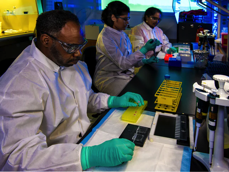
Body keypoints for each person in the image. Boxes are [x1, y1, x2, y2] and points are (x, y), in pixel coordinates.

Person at [0, 10, 145, 171]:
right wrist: (86, 156)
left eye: (81, 45)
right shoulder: (20, 84)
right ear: (46, 40)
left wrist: (111, 101)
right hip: (57, 161)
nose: (78, 53)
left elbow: (84, 98)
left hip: (86, 139)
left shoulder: (70, 62)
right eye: (71, 47)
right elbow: (17, 158)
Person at [93, 1, 161, 96]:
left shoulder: (122, 34)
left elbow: (129, 60)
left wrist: (144, 61)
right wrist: (144, 49)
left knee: (149, 88)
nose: (128, 22)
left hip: (123, 75)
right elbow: (123, 64)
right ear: (113, 17)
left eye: (128, 18)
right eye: (125, 19)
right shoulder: (105, 37)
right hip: (109, 78)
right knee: (138, 95)